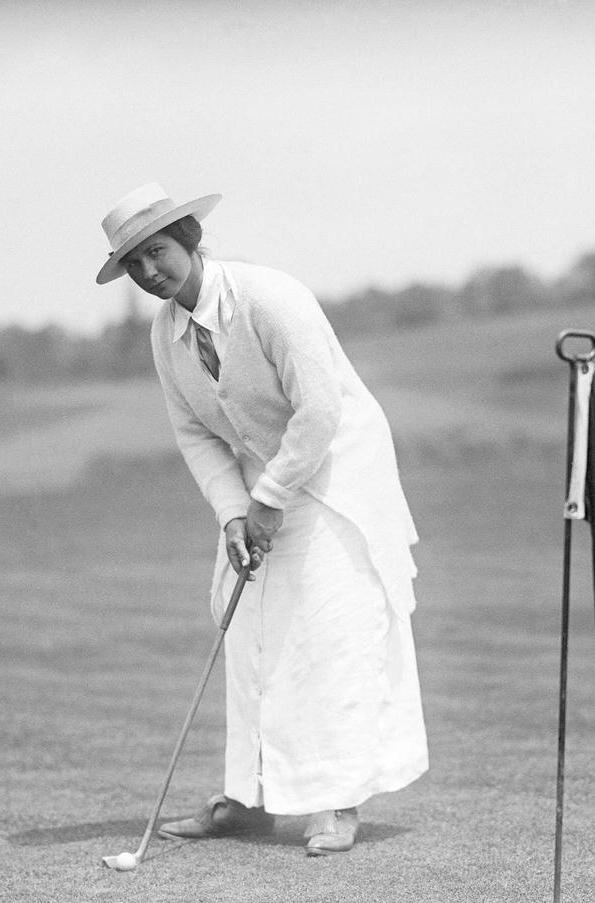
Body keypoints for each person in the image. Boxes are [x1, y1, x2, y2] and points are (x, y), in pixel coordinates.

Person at [95, 183, 428, 856]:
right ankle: (248, 800)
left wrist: (269, 499)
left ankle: (338, 801)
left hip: (338, 475)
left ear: (189, 239)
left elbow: (321, 410)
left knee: (328, 630)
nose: (150, 271)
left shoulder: (270, 298)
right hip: (261, 482)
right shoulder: (167, 336)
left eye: (157, 251)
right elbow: (197, 436)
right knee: (247, 632)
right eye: (134, 263)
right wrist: (232, 517)